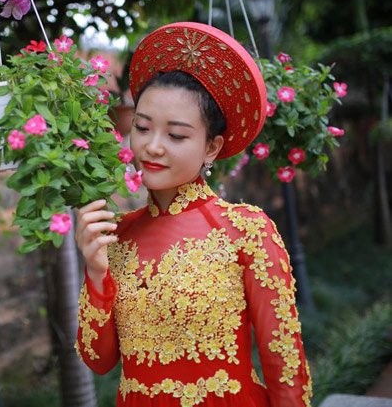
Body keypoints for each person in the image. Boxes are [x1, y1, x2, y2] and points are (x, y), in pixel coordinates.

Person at [74, 21, 312, 407]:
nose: (152, 146)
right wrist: (96, 271)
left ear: (212, 147)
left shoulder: (247, 231)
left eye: (177, 135)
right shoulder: (116, 235)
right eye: (142, 127)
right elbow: (98, 361)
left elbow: (283, 363)